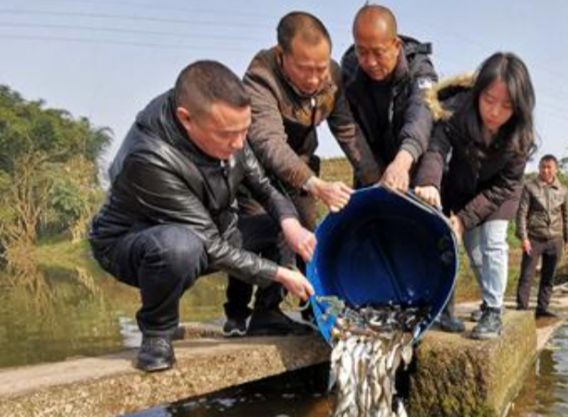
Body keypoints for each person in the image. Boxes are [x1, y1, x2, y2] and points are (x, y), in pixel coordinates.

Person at [89, 60, 315, 373]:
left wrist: (292, 226)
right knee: (180, 246)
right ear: (186, 120)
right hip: (134, 243)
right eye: (227, 135)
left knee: (283, 224)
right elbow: (208, 245)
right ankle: (157, 331)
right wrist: (281, 273)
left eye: (244, 131)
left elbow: (264, 187)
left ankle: (266, 314)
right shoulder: (149, 157)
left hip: (210, 232)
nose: (238, 144)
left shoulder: (227, 125)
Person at [223, 11, 381, 337]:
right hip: (257, 171)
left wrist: (375, 182)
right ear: (282, 57)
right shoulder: (260, 78)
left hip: (303, 165)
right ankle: (239, 313)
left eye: (320, 69)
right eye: (305, 69)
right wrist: (315, 183)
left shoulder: (332, 76)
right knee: (257, 237)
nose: (314, 79)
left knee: (308, 235)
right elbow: (269, 143)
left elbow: (347, 131)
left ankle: (304, 308)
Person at [414, 52, 536, 339]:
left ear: (519, 108)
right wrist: (430, 182)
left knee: (493, 243)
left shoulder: (520, 139)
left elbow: (504, 187)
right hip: (462, 188)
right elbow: (436, 148)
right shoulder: (457, 113)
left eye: (506, 106)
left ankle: (494, 312)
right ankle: (463, 305)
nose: (495, 112)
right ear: (478, 93)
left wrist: (465, 220)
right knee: (472, 252)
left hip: (499, 194)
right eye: (489, 101)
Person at [341, 4, 437, 191]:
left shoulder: (419, 69)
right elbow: (349, 129)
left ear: (396, 45)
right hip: (369, 165)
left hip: (414, 162)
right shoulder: (349, 71)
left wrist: (402, 163)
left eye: (378, 52)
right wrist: (374, 181)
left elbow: (421, 113)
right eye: (362, 52)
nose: (370, 62)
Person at [514, 154, 568, 318]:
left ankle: (542, 308)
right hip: (534, 238)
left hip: (555, 240)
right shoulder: (529, 187)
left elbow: (567, 217)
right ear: (539, 168)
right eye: (543, 167)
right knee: (527, 275)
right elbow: (521, 214)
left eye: (549, 167)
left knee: (549, 277)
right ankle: (522, 309)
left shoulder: (563, 190)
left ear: (555, 169)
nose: (545, 170)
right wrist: (524, 238)